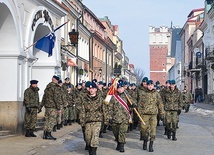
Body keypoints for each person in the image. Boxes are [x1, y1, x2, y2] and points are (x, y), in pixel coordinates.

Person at [79, 82, 109, 155]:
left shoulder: (100, 99)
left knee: (95, 137)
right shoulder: (85, 99)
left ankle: (94, 152)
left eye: (93, 88)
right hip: (88, 120)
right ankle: (89, 148)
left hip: (97, 120)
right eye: (90, 88)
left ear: (96, 89)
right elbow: (82, 111)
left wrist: (106, 121)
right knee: (88, 138)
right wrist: (82, 121)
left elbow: (105, 110)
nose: (91, 90)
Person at [138, 80, 165, 152]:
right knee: (144, 129)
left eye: (151, 85)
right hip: (145, 114)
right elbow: (140, 104)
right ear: (147, 85)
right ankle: (145, 141)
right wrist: (139, 114)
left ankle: (151, 145)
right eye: (149, 85)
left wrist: (162, 113)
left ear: (153, 86)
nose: (150, 86)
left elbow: (160, 103)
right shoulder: (143, 93)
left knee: (153, 130)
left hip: (153, 115)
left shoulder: (156, 94)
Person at [108, 80, 135, 153]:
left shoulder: (127, 96)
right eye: (119, 88)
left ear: (124, 88)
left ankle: (122, 145)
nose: (120, 89)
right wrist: (110, 117)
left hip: (124, 118)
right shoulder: (113, 96)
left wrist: (133, 105)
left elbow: (132, 103)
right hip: (115, 118)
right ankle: (118, 142)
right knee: (116, 133)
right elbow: (110, 107)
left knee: (122, 132)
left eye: (121, 88)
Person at [39, 75, 62, 140]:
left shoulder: (47, 87)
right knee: (51, 121)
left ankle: (45, 134)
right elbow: (56, 98)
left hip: (47, 107)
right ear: (56, 80)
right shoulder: (55, 87)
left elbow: (44, 97)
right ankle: (48, 134)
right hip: (53, 107)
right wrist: (59, 108)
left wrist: (41, 106)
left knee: (47, 120)